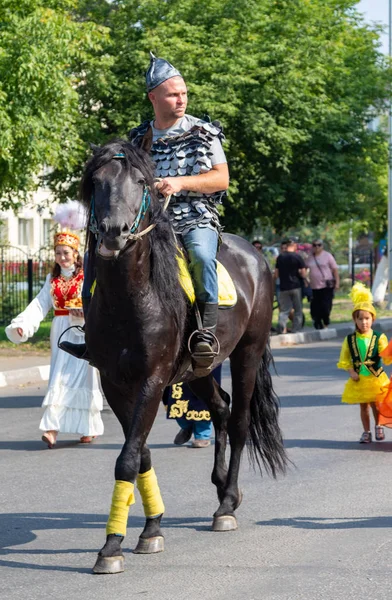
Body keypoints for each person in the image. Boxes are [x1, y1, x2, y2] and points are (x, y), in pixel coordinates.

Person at [61, 52, 229, 377]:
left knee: (201, 255)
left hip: (194, 217)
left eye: (184, 93)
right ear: (154, 97)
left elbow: (221, 179)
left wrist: (179, 183)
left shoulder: (203, 132)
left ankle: (205, 334)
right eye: (173, 94)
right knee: (101, 252)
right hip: (149, 223)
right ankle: (93, 335)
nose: (181, 99)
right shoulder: (138, 138)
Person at [5, 232, 104, 448]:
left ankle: (87, 427)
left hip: (82, 331)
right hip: (60, 330)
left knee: (83, 378)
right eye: (58, 253)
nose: (62, 257)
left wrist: (86, 313)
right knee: (59, 377)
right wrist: (23, 326)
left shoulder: (87, 277)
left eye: (66, 253)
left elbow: (100, 302)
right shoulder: (53, 280)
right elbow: (40, 304)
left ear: (75, 254)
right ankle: (51, 429)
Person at [337, 283, 392, 443]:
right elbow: (344, 359)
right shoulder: (350, 339)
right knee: (363, 407)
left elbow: (386, 357)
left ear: (372, 319)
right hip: (359, 380)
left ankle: (378, 426)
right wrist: (351, 371)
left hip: (376, 378)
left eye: (367, 318)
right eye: (360, 319)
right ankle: (366, 431)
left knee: (376, 404)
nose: (364, 322)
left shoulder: (378, 337)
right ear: (354, 319)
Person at [163, 366, 222, 448]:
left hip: (204, 359)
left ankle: (202, 435)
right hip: (181, 362)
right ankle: (186, 426)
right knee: (177, 398)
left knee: (203, 395)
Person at [305, 239, 340, 330]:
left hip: (326, 285)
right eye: (314, 245)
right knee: (315, 306)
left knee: (326, 305)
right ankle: (317, 322)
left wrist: (337, 282)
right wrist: (305, 279)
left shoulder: (327, 256)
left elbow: (335, 269)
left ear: (322, 246)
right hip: (314, 286)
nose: (316, 247)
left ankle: (326, 320)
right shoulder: (310, 257)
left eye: (319, 245)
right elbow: (304, 268)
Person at [274, 239, 306, 334]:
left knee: (284, 310)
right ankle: (296, 329)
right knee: (298, 309)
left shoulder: (280, 257)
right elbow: (303, 273)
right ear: (294, 245)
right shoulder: (297, 257)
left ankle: (281, 327)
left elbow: (276, 274)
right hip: (296, 286)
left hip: (284, 287)